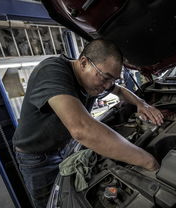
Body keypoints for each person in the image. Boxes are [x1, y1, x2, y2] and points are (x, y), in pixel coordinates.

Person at [12, 39, 164, 208]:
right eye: (105, 77)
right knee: (52, 204)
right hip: (38, 158)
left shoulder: (93, 78)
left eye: (112, 79)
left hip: (66, 146)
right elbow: (81, 129)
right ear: (83, 62)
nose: (107, 86)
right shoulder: (51, 71)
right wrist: (147, 161)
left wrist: (140, 103)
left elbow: (119, 90)